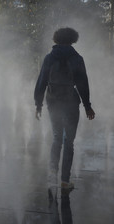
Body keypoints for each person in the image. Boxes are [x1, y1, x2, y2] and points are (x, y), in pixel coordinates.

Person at [34, 28, 95, 193]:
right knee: (69, 142)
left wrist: (38, 105)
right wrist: (87, 106)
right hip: (70, 102)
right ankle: (65, 180)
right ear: (73, 40)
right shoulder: (77, 58)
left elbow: (41, 83)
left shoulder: (48, 58)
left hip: (52, 101)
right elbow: (83, 84)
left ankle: (52, 172)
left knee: (56, 138)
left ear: (56, 39)